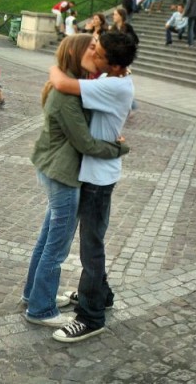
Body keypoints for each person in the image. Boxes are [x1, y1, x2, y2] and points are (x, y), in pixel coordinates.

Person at [22, 35, 127, 328]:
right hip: (63, 175)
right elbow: (86, 144)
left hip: (56, 170)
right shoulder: (66, 94)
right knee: (57, 245)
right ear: (77, 52)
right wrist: (119, 148)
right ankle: (40, 309)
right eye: (91, 47)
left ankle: (34, 295)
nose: (97, 51)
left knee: (47, 238)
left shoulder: (70, 82)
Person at [48, 30, 137, 343]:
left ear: (112, 65)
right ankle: (102, 294)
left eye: (97, 51)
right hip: (98, 172)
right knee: (93, 240)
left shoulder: (110, 85)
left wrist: (56, 63)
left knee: (91, 246)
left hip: (98, 178)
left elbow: (61, 83)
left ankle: (90, 316)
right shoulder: (119, 77)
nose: (92, 52)